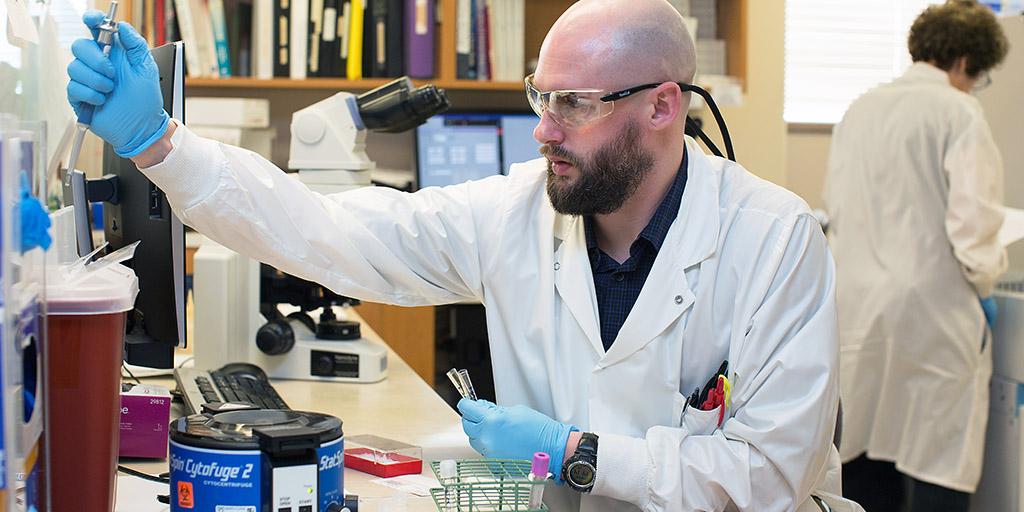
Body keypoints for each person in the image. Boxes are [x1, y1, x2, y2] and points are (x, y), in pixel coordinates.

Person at [68, 0, 862, 509]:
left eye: (574, 104)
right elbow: (330, 235)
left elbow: (766, 479)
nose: (544, 128)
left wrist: (571, 453)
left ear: (663, 106)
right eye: (539, 97)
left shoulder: (774, 240)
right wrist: (160, 146)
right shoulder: (516, 212)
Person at [823, 2, 1009, 511]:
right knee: (937, 460)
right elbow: (973, 231)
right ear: (966, 61)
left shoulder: (860, 109)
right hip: (935, 315)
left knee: (863, 458)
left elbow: (837, 206)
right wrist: (987, 281)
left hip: (858, 311)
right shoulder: (959, 111)